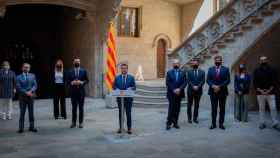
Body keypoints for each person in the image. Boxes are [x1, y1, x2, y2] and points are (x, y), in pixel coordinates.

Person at [253, 56, 279, 130]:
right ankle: (262, 123)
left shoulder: (273, 70)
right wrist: (260, 90)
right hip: (260, 93)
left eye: (264, 60)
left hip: (271, 93)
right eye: (262, 60)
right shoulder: (256, 70)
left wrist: (269, 90)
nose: (263, 61)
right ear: (260, 61)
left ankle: (275, 123)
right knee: (261, 109)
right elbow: (255, 82)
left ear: (267, 60)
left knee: (273, 108)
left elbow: (275, 81)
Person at [207, 55, 230, 130]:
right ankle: (213, 124)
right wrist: (213, 86)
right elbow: (208, 80)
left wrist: (219, 86)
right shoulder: (210, 69)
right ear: (214, 61)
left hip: (222, 92)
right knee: (213, 109)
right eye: (216, 60)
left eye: (219, 60)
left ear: (221, 61)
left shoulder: (226, 69)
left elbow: (227, 80)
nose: (218, 61)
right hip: (213, 92)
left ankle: (221, 124)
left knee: (222, 109)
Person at [113, 63, 136, 134]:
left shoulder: (131, 77)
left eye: (125, 68)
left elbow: (134, 87)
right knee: (121, 114)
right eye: (122, 68)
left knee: (128, 114)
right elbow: (114, 86)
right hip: (120, 99)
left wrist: (130, 88)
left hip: (128, 99)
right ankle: (121, 128)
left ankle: (129, 129)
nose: (124, 70)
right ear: (121, 69)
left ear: (127, 69)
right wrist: (118, 90)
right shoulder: (117, 77)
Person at [67, 57, 89, 128]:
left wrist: (81, 82)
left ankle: (80, 123)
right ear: (73, 63)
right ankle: (73, 122)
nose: (77, 63)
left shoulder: (84, 71)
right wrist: (72, 82)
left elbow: (87, 80)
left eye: (78, 61)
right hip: (73, 92)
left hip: (81, 92)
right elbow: (67, 81)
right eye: (76, 61)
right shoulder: (70, 71)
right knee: (74, 107)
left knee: (81, 108)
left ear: (80, 63)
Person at [16, 63, 38, 133]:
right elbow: (18, 87)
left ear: (29, 68)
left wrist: (31, 91)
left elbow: (35, 85)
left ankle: (32, 127)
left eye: (28, 67)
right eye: (25, 67)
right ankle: (21, 128)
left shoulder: (33, 75)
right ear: (22, 68)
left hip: (31, 96)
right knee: (22, 113)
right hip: (22, 97)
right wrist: (26, 92)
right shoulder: (18, 77)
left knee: (31, 112)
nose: (26, 69)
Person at [166, 59, 187, 130]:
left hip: (179, 93)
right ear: (172, 65)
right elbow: (168, 83)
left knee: (177, 109)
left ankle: (175, 123)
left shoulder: (183, 72)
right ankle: (168, 123)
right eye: (174, 63)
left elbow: (185, 82)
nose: (176, 64)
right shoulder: (169, 73)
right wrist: (174, 90)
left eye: (177, 63)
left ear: (179, 64)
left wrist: (179, 89)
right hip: (171, 93)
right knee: (171, 109)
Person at [186, 59, 205, 124]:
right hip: (190, 91)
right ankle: (189, 118)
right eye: (193, 63)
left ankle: (195, 118)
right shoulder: (189, 72)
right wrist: (193, 86)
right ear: (192, 64)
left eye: (196, 63)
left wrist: (198, 86)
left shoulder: (202, 72)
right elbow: (188, 80)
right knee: (189, 105)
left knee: (197, 105)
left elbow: (203, 81)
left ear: (198, 64)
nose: (195, 64)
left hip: (198, 91)